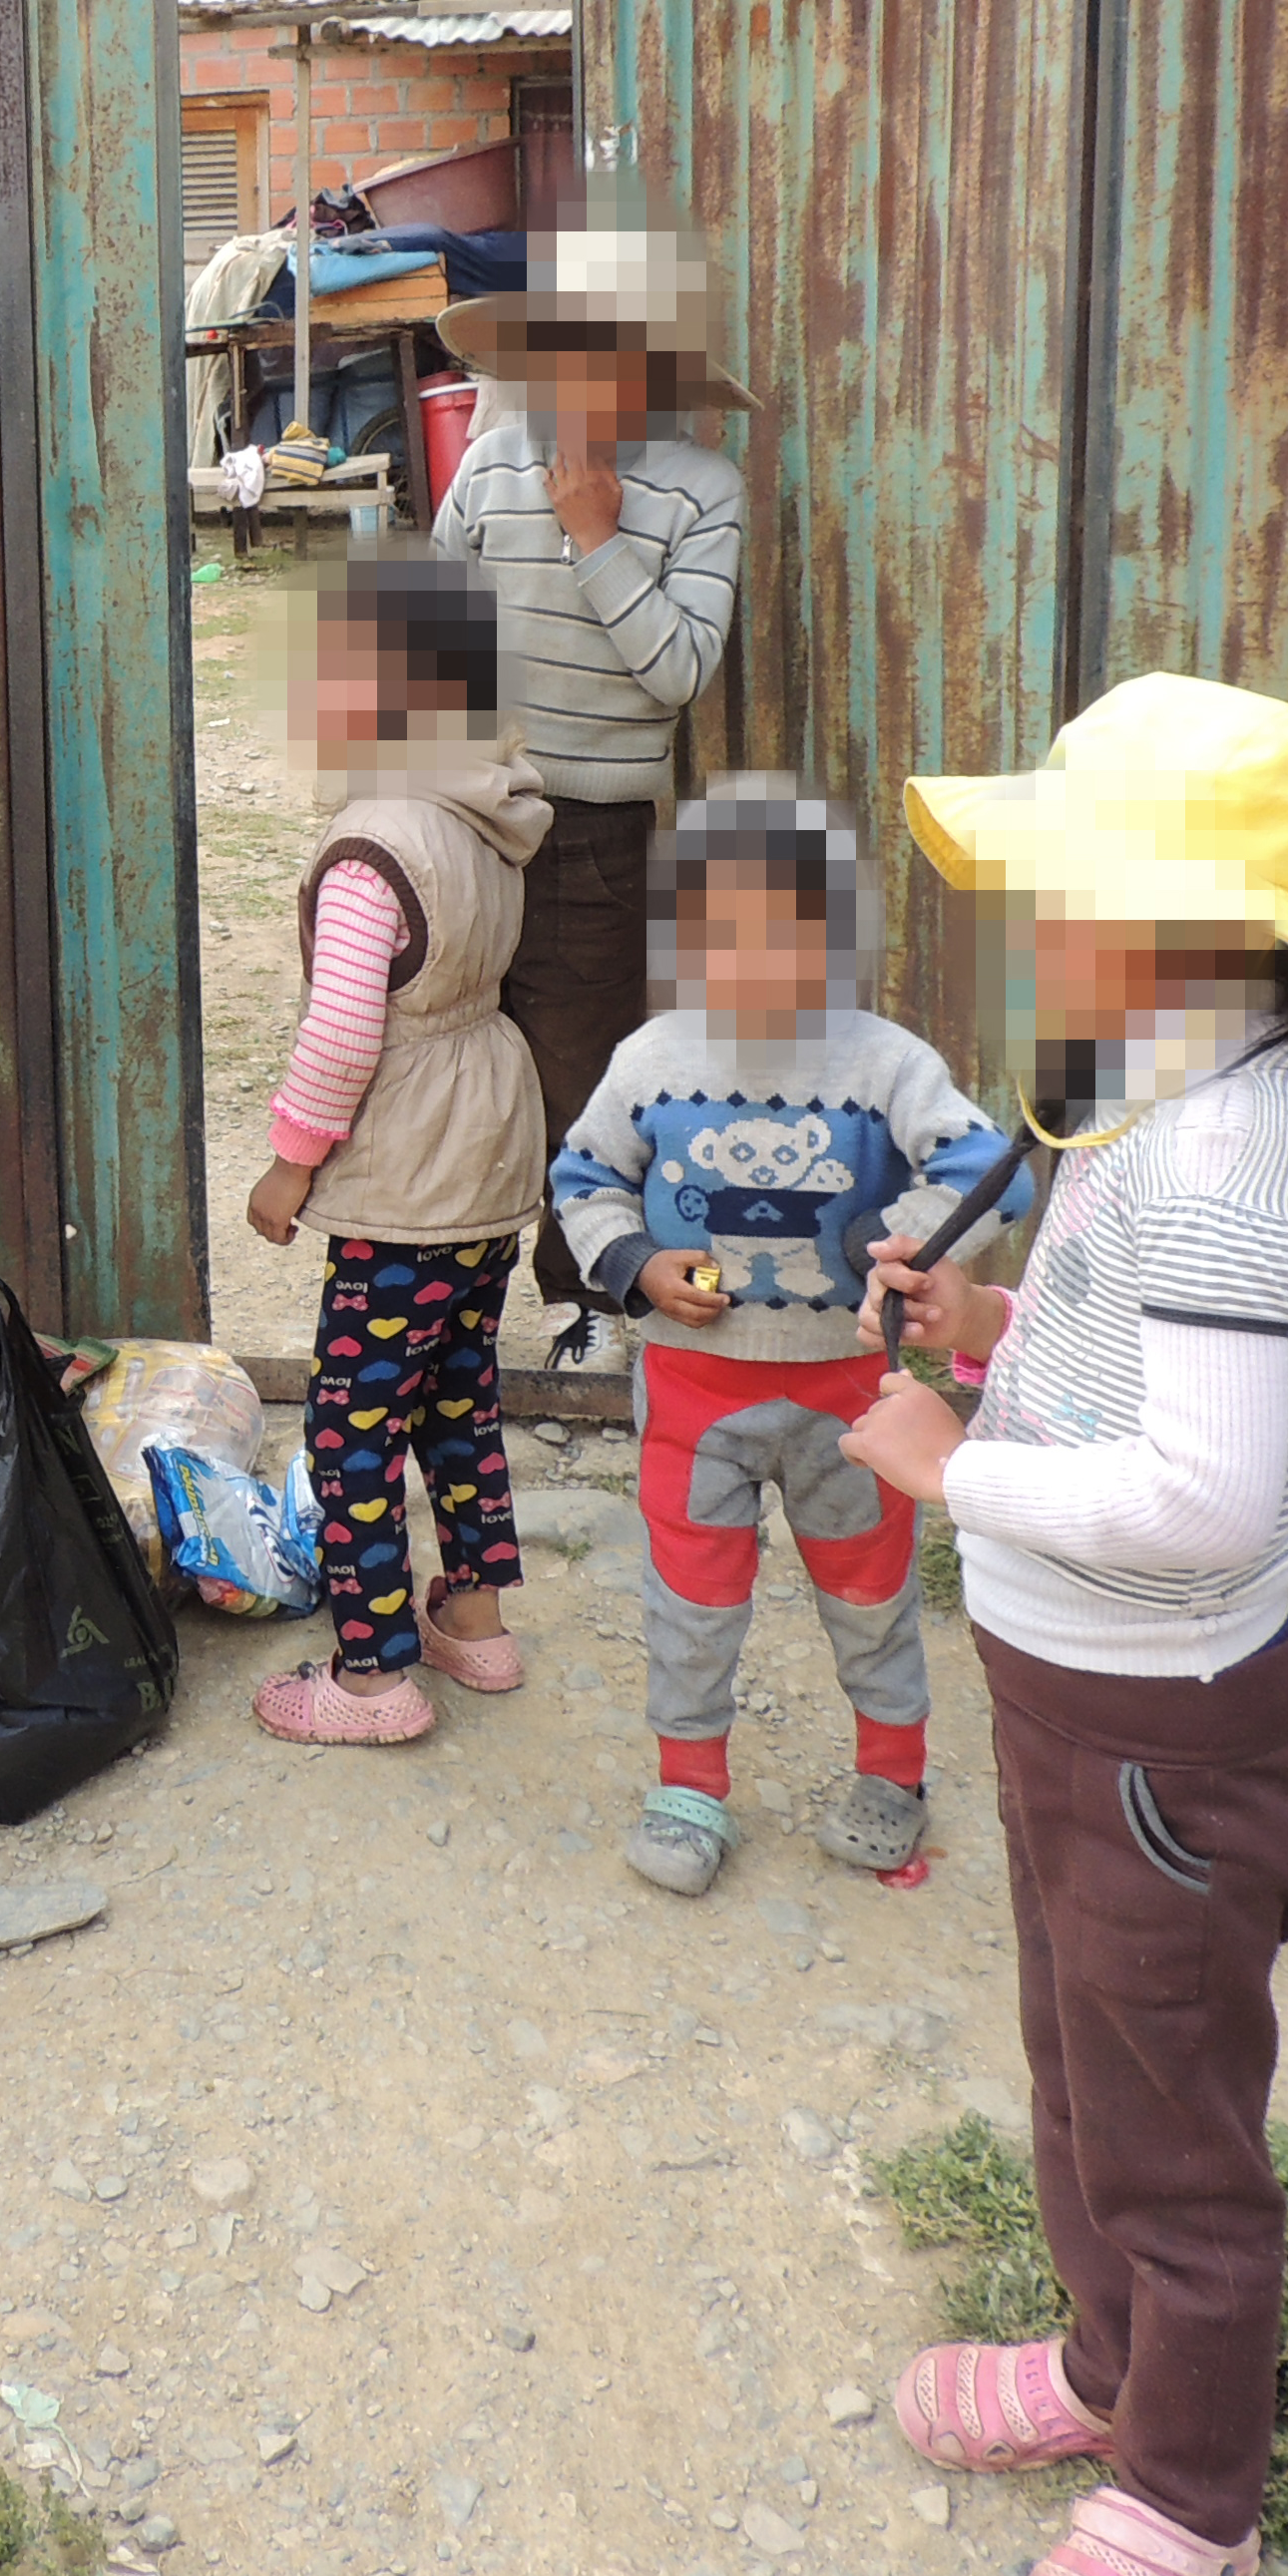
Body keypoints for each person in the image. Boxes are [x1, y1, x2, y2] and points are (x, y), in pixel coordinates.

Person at [839, 674, 1288, 2576]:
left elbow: (1195, 1496)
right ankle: (1111, 2370)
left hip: (1157, 1729)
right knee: (1085, 2060)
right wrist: (997, 1337)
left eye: (1064, 887)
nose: (1036, 923)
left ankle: (1191, 2502)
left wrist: (947, 1472)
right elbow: (1168, 1386)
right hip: (1081, 1699)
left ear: (1191, 919)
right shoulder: (1178, 1099)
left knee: (1172, 2127)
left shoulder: (1208, 1158)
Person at [546, 784, 1021, 1895]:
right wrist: (637, 1267)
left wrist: (901, 1243)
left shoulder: (887, 1065)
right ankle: (689, 1785)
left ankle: (892, 1775)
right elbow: (583, 1176)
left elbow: (992, 1166)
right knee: (692, 1596)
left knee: (868, 1590)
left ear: (836, 936)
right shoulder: (652, 1059)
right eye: (722, 933)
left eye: (787, 932)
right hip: (691, 1392)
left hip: (849, 1400)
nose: (753, 960)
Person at [239, 546, 549, 1745]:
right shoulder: (487, 805)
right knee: (457, 1392)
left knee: (353, 1420)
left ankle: (370, 1674)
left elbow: (340, 1035)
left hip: (407, 1170)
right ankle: (474, 1618)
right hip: (486, 1148)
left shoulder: (374, 846)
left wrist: (290, 1163)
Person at [424, 231, 749, 1368]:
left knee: (578, 1068)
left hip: (596, 834)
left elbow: (679, 673)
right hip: (471, 815)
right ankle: (450, 1286)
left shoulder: (703, 491)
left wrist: (599, 535)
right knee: (463, 1059)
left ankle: (588, 1299)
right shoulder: (491, 456)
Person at [222, 428, 271, 561]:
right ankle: (247, 547)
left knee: (242, 501)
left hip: (241, 481)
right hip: (241, 480)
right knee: (242, 502)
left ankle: (247, 547)